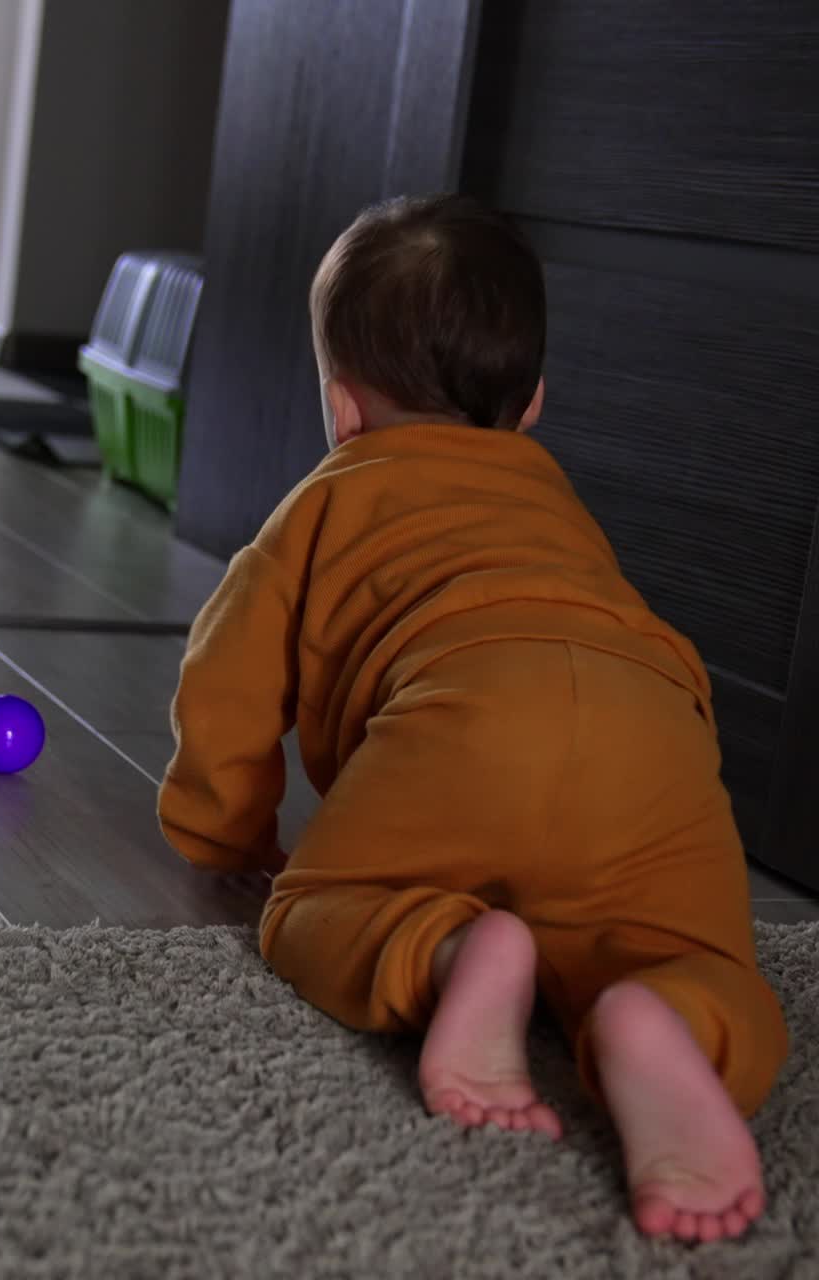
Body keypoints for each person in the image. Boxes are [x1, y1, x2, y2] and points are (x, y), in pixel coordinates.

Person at [157, 193, 788, 1244]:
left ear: (344, 409)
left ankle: (451, 952)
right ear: (531, 400)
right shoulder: (552, 496)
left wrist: (223, 831)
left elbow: (223, 677)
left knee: (317, 910)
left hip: (462, 720)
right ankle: (667, 1013)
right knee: (699, 953)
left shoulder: (324, 498)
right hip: (653, 734)